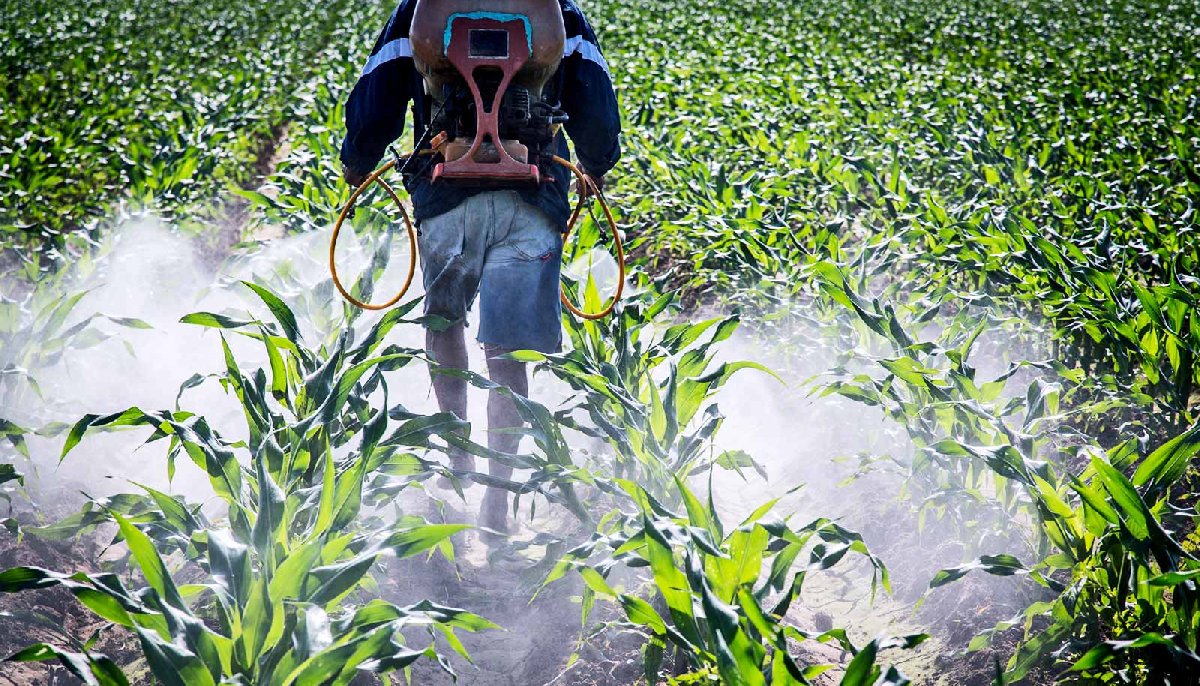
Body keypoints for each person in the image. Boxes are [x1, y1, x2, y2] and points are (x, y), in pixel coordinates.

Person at [340, 0, 621, 535]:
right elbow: (598, 109)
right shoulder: (560, 12)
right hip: (532, 203)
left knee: (444, 323)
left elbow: (376, 101)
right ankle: (500, 498)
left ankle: (457, 457)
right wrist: (597, 165)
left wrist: (357, 162)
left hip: (447, 201)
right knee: (508, 352)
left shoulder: (417, 11)